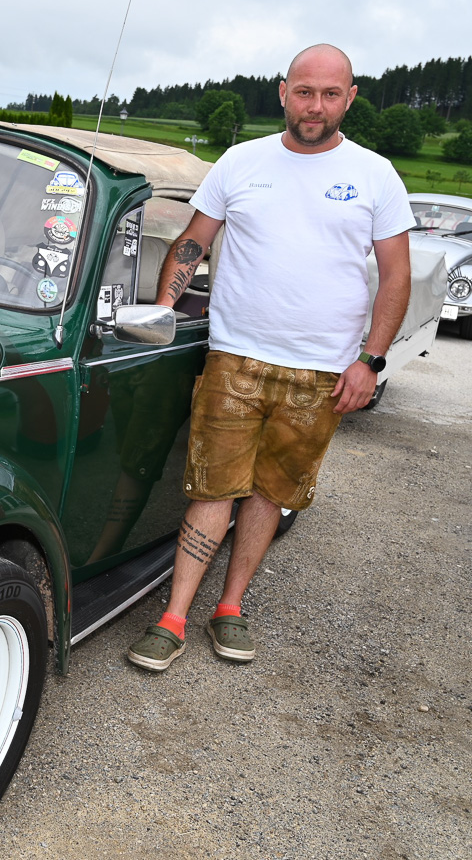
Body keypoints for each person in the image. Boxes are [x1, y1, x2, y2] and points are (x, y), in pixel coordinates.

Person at [126, 44, 414, 671]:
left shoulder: (375, 174)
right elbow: (193, 242)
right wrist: (163, 310)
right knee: (213, 486)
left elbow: (396, 276)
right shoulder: (240, 161)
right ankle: (173, 617)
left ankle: (230, 607)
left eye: (330, 95)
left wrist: (371, 361)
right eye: (304, 92)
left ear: (350, 99)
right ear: (284, 92)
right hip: (235, 359)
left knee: (268, 493)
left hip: (323, 372)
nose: (315, 106)